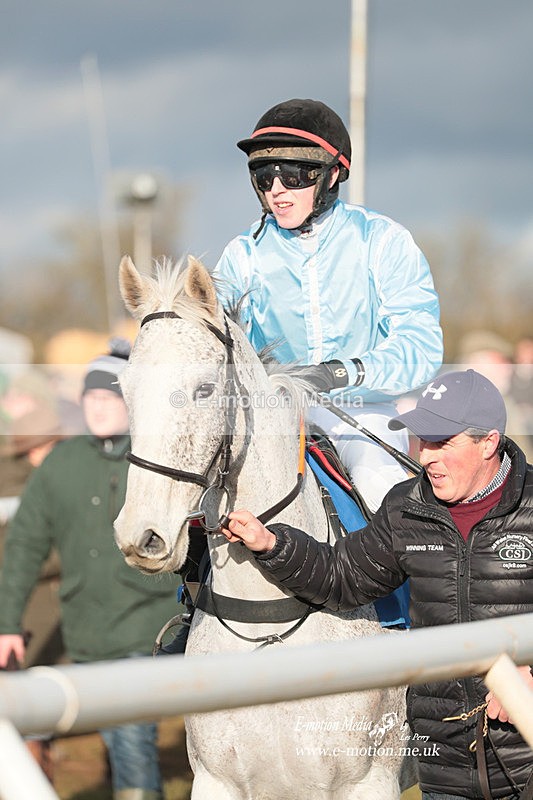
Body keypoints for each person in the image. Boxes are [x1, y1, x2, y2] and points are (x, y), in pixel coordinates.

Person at [220, 369, 533, 799]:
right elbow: (342, 576)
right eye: (423, 440)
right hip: (446, 766)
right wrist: (271, 543)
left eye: (443, 442)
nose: (426, 457)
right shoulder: (406, 508)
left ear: (489, 443)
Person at [213, 97, 443, 512]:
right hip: (274, 414)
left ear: (333, 173)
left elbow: (421, 348)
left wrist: (342, 372)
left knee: (385, 499)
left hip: (363, 414)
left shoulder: (383, 240)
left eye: (294, 174)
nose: (277, 189)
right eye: (264, 176)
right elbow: (213, 333)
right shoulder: (241, 254)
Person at [0, 340, 180, 800]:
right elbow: (23, 546)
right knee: (119, 741)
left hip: (147, 626)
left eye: (110, 398)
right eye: (91, 398)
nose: (98, 408)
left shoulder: (157, 457)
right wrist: (7, 623)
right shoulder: (61, 464)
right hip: (87, 632)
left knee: (133, 741)